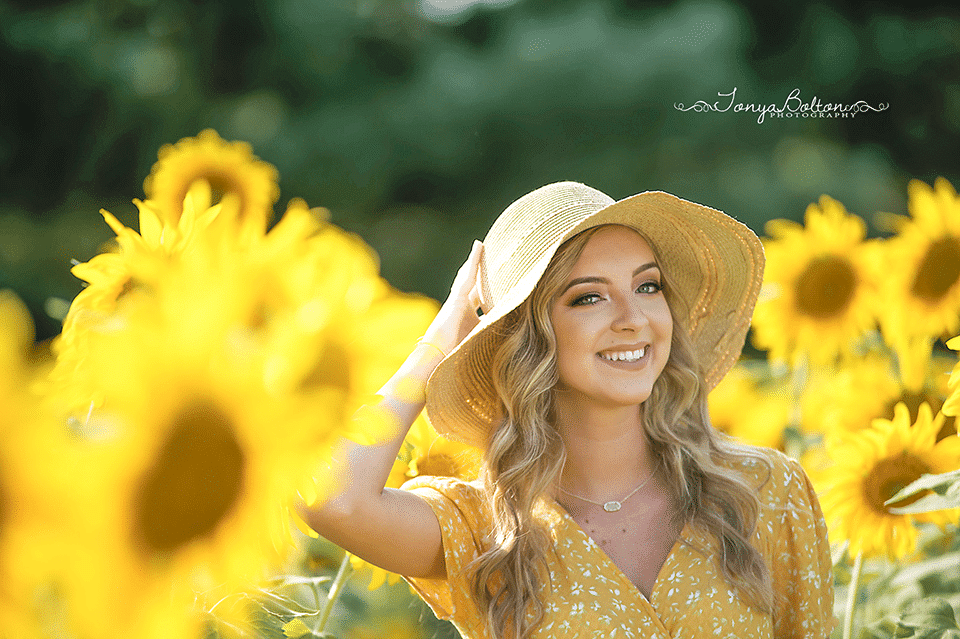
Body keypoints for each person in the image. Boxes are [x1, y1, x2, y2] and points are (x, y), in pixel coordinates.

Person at [301, 182, 836, 639]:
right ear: (527, 337)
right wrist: (441, 340)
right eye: (588, 297)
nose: (634, 318)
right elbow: (328, 497)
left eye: (647, 286)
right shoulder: (486, 531)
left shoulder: (765, 491)